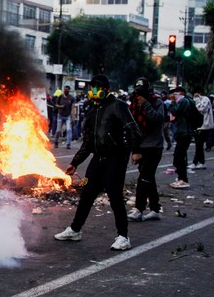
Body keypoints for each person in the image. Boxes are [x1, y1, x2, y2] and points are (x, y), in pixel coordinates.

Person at [54, 74, 142, 250]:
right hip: (97, 160)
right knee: (86, 194)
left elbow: (133, 129)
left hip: (115, 159)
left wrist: (136, 150)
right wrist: (75, 162)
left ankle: (123, 237)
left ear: (106, 89)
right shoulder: (93, 111)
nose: (93, 90)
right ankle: (75, 230)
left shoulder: (118, 106)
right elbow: (88, 143)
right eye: (92, 86)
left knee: (114, 196)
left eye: (97, 86)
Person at [126, 77, 165, 222]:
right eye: (137, 92)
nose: (139, 96)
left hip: (154, 146)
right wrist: (135, 150)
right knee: (148, 178)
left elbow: (158, 119)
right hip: (141, 146)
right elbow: (132, 128)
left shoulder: (156, 102)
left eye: (142, 93)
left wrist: (147, 106)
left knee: (144, 178)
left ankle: (139, 209)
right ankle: (155, 209)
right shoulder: (133, 105)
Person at [168, 86, 193, 188]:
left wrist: (173, 102)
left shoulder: (184, 101)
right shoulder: (184, 102)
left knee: (179, 157)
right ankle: (181, 178)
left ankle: (183, 179)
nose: (174, 96)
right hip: (182, 132)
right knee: (180, 157)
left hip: (185, 133)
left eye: (176, 94)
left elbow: (175, 112)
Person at [191, 89, 213, 170]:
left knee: (199, 144)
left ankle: (195, 162)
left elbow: (201, 109)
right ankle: (201, 162)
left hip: (204, 125)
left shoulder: (205, 99)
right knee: (198, 144)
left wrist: (197, 99)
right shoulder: (200, 100)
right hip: (199, 125)